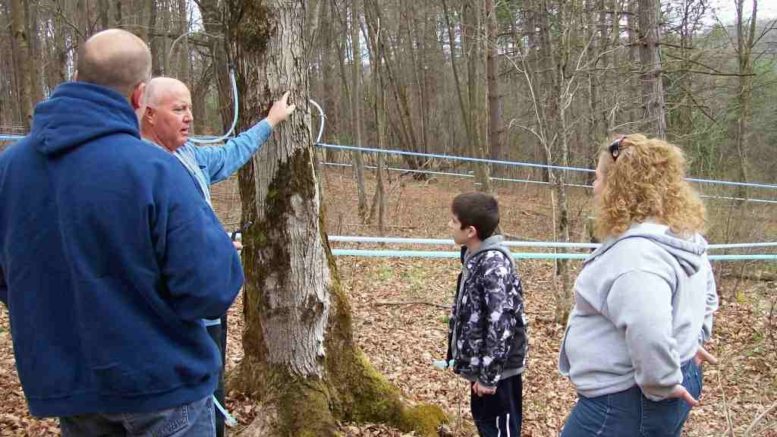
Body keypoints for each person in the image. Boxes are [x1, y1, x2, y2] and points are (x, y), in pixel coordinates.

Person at [0, 29, 243, 436]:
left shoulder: (11, 170)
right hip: (163, 389)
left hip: (73, 387)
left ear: (78, 77)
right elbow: (211, 287)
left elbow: (12, 276)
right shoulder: (153, 170)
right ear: (138, 95)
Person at [139, 76, 295, 436]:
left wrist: (270, 122)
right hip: (170, 317)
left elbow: (230, 154)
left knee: (212, 390)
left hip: (207, 307)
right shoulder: (136, 168)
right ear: (149, 114)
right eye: (178, 109)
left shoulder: (189, 153)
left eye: (190, 108)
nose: (189, 117)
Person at [559, 134, 719, 436]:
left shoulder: (636, 256)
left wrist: (661, 381)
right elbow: (708, 298)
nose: (594, 187)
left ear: (619, 188)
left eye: (598, 178)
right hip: (665, 380)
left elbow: (648, 329)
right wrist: (692, 339)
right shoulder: (683, 238)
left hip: (624, 400)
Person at [445, 192, 528, 436]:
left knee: (500, 430)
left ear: (470, 231)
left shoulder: (494, 264)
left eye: (452, 220)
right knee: (485, 424)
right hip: (481, 368)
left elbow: (500, 323)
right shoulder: (473, 257)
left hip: (498, 373)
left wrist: (490, 377)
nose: (448, 225)